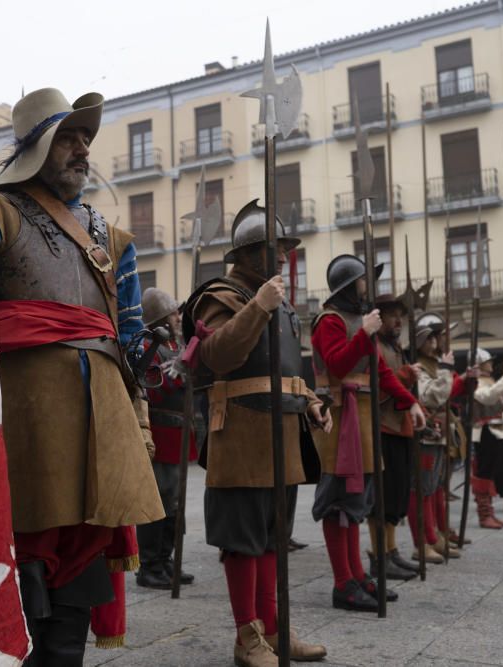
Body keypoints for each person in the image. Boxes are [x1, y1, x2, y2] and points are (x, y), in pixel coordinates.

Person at [0, 88, 164, 665]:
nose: (83, 148)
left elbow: (128, 338)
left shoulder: (110, 237)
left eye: (86, 138)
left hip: (101, 417)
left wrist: (143, 400)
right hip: (25, 420)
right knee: (24, 559)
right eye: (68, 137)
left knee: (83, 560)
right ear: (36, 146)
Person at [186, 200, 331, 667]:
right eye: (276, 249)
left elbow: (288, 369)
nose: (286, 259)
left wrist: (310, 400)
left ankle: (273, 631)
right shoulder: (221, 295)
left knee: (272, 538)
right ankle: (246, 638)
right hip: (242, 434)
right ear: (249, 256)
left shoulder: (281, 305)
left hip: (282, 432)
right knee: (243, 540)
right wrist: (260, 307)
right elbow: (217, 354)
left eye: (287, 249)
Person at [310, 255, 417, 610]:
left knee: (356, 504)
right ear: (347, 285)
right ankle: (343, 583)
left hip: (365, 420)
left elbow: (381, 372)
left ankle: (357, 575)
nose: (366, 289)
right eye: (362, 282)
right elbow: (338, 365)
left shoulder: (360, 322)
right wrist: (366, 333)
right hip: (340, 418)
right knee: (337, 501)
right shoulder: (329, 320)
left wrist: (410, 402)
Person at [134, 287, 199, 589]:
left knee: (174, 504)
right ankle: (150, 565)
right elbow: (151, 387)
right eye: (173, 312)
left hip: (179, 432)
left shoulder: (176, 343)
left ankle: (166, 560)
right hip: (160, 433)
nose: (178, 316)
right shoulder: (149, 345)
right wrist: (177, 371)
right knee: (158, 503)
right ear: (160, 317)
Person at [369, 295, 429, 579]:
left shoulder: (396, 348)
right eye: (391, 315)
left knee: (397, 496)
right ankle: (379, 554)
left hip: (400, 426)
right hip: (383, 427)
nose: (397, 321)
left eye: (399, 316)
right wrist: (405, 376)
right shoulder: (374, 346)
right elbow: (378, 389)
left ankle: (391, 551)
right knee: (383, 496)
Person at [411, 314, 470, 564]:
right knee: (421, 490)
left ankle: (435, 536)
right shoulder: (420, 366)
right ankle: (422, 542)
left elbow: (447, 396)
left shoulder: (434, 364)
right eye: (434, 336)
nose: (439, 340)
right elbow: (430, 397)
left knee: (434, 489)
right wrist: (447, 371)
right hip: (425, 433)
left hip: (439, 432)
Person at [470, 349, 503, 529]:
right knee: (484, 473)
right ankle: (484, 515)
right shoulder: (474, 380)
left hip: (496, 432)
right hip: (484, 432)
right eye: (488, 361)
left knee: (491, 473)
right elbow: (488, 398)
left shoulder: (489, 380)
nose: (491, 363)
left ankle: (489, 512)